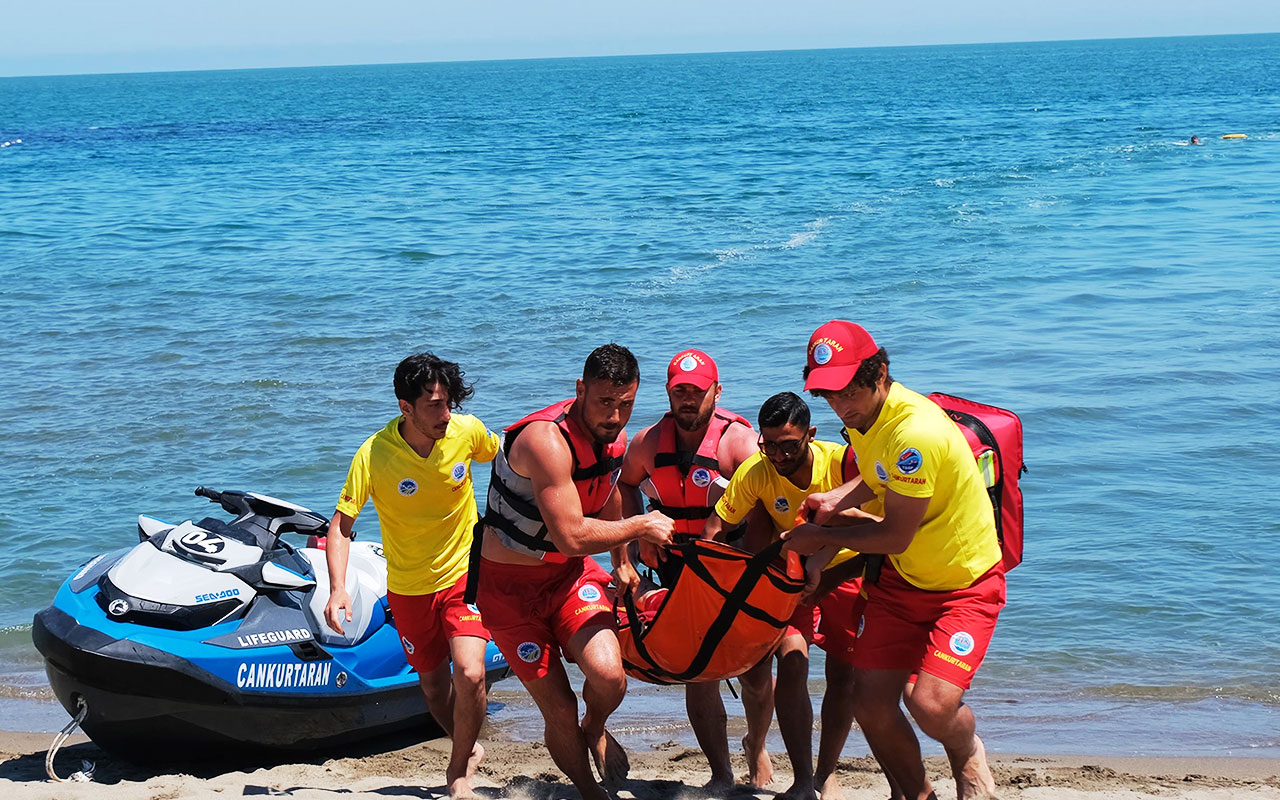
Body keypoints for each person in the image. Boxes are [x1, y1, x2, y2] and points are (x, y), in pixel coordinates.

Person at [783, 320, 1005, 800]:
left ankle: (966, 751)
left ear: (879, 372)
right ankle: (919, 795)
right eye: (829, 396)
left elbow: (895, 535)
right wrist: (839, 497)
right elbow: (876, 472)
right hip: (904, 584)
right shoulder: (867, 417)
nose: (841, 406)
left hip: (964, 584)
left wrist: (817, 537)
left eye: (848, 391)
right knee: (871, 704)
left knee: (931, 707)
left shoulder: (914, 435)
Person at [472, 344, 675, 800]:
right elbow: (570, 537)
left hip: (566, 579)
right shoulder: (545, 442)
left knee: (608, 677)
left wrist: (622, 561)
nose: (616, 415)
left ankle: (595, 728)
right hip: (508, 594)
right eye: (605, 402)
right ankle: (588, 791)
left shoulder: (611, 437)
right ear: (580, 389)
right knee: (559, 709)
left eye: (627, 404)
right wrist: (643, 526)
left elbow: (607, 496)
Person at [324, 352, 499, 799]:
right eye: (434, 406)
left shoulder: (466, 432)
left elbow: (510, 461)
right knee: (434, 687)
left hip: (466, 575)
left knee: (472, 673)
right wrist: (339, 588)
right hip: (408, 587)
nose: (445, 414)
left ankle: (457, 772)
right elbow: (342, 525)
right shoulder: (375, 454)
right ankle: (468, 745)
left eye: (448, 403)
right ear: (406, 408)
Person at [702, 391, 866, 800]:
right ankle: (802, 782)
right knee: (793, 665)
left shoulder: (843, 463)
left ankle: (826, 773)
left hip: (850, 569)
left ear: (810, 434)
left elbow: (881, 535)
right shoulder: (757, 471)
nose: (778, 455)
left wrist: (827, 577)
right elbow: (715, 528)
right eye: (768, 444)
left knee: (842, 677)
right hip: (791, 577)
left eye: (789, 445)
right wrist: (708, 588)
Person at [615, 348, 764, 791]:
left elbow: (764, 505)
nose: (688, 400)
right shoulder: (645, 443)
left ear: (716, 392)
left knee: (755, 674)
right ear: (668, 392)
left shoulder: (738, 442)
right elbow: (623, 485)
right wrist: (637, 534)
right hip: (679, 571)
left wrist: (753, 568)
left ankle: (756, 753)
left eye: (697, 392)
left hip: (733, 570)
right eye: (680, 390)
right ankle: (720, 773)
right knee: (698, 672)